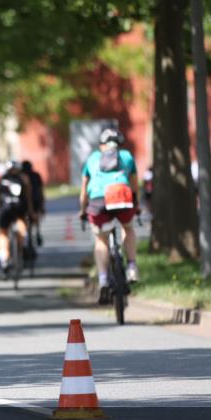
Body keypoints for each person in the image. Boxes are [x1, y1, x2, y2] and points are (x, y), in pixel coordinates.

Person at [78, 126, 140, 305]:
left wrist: (83, 209)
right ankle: (131, 267)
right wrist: (136, 205)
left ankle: (104, 278)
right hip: (122, 196)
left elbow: (84, 190)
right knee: (128, 228)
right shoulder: (126, 157)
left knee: (101, 239)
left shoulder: (93, 159)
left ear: (101, 145)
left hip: (99, 200)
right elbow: (134, 185)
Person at [0, 161, 35, 277]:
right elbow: (28, 197)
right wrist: (31, 212)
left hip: (4, 209)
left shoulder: (2, 179)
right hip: (20, 209)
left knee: (2, 234)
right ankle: (22, 246)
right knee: (22, 227)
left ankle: (4, 261)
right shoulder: (24, 178)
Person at [20, 160, 46, 251]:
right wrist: (42, 203)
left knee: (29, 218)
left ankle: (32, 234)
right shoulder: (35, 175)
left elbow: (40, 189)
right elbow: (41, 189)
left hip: (29, 200)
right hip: (35, 200)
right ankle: (37, 232)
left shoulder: (22, 176)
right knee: (35, 217)